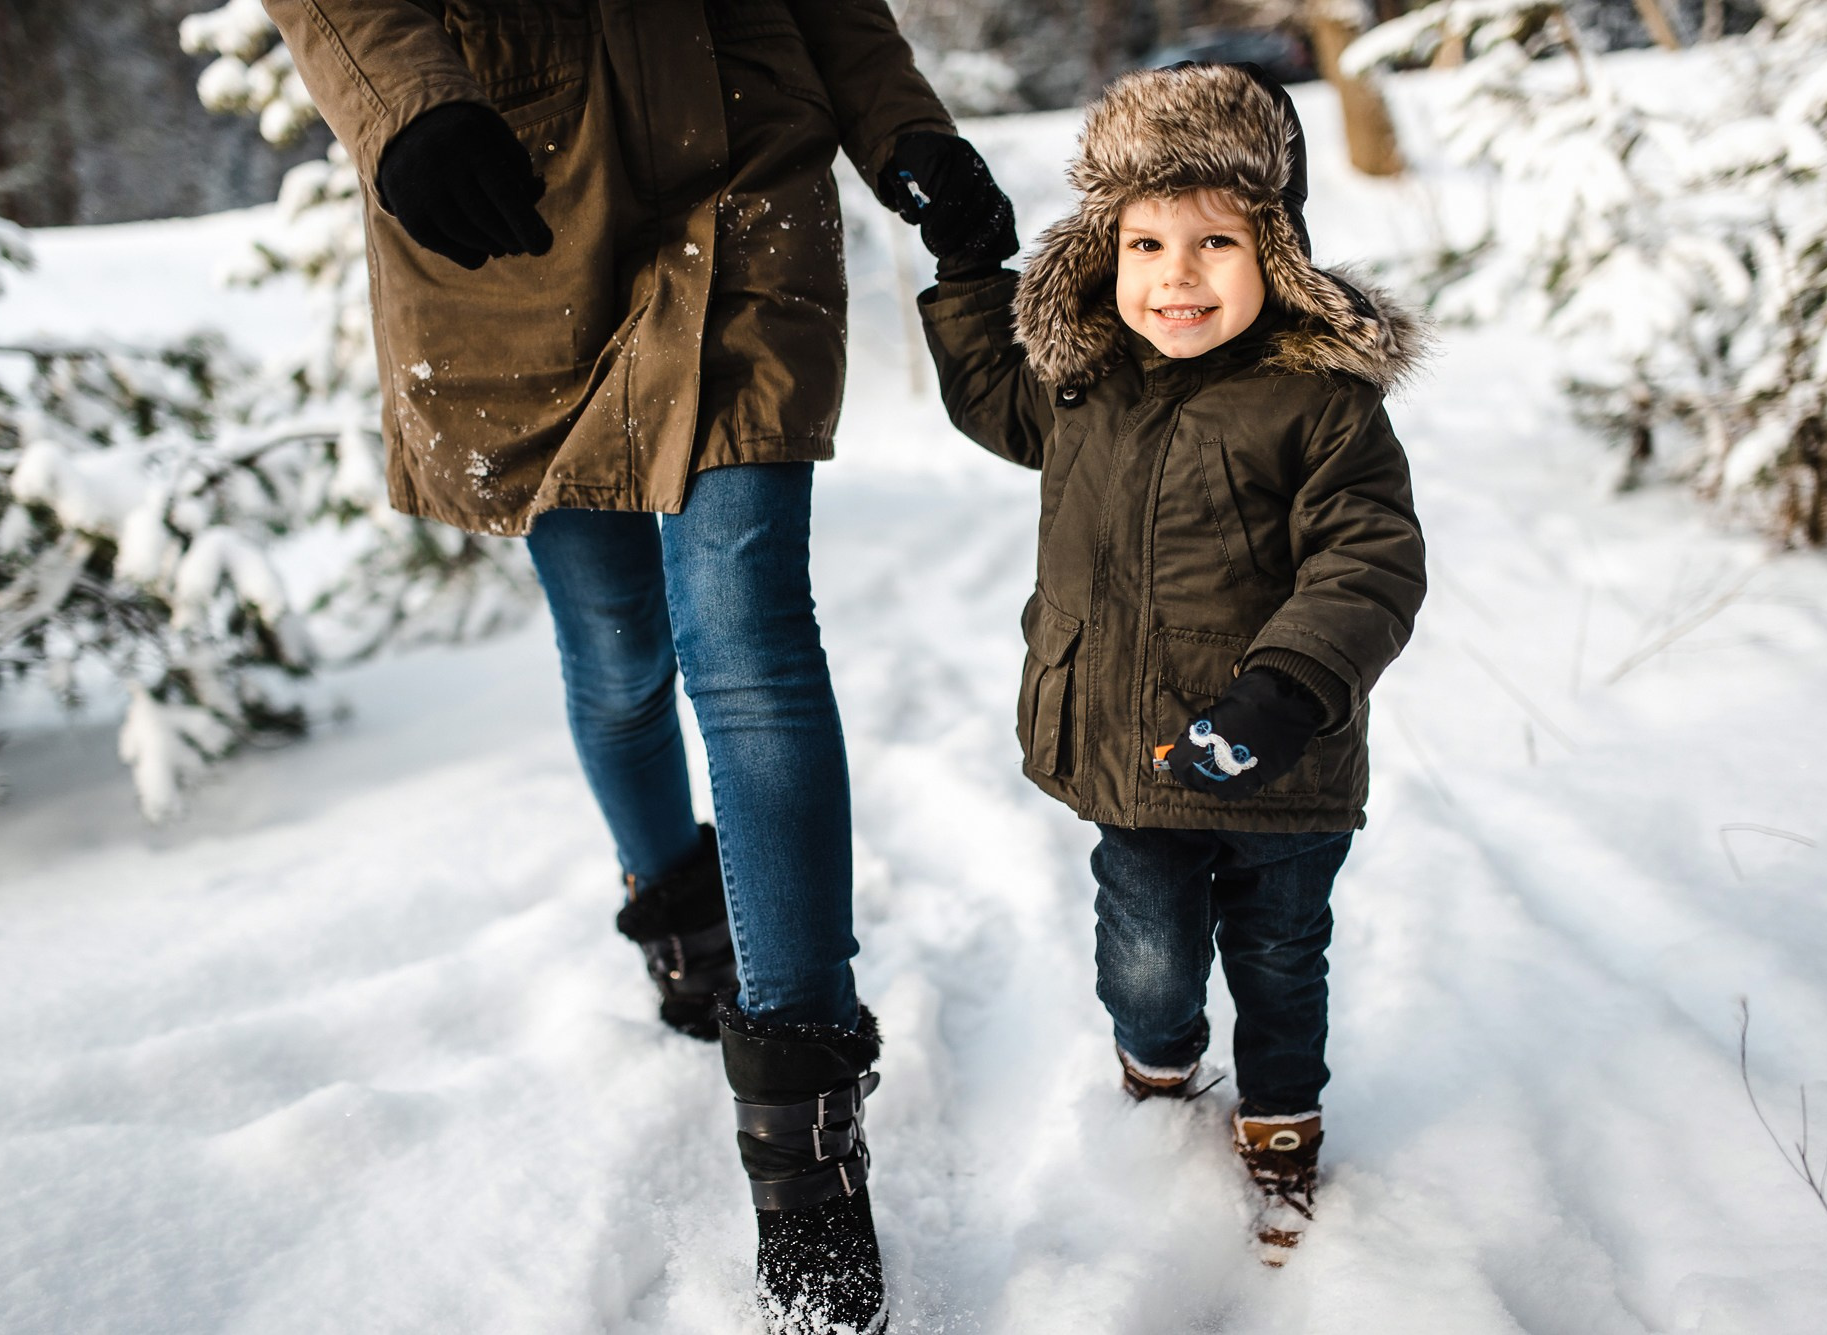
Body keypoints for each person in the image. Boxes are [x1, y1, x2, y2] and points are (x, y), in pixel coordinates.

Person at [258, 1, 1015, 1328]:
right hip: (519, 184)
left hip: (749, 169)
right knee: (617, 650)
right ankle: (679, 910)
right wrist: (405, 103)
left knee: (749, 638)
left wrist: (903, 127)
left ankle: (806, 1153)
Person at [914, 62, 1428, 1263]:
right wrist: (968, 274)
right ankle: (1156, 1066)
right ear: (1103, 251)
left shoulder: (1320, 402)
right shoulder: (1087, 383)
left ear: (1277, 252)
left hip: (1281, 764)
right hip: (1134, 756)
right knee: (1145, 955)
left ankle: (1281, 1118)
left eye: (1214, 244)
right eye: (1144, 244)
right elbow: (991, 398)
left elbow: (1367, 556)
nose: (1174, 277)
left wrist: (1286, 687)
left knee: (1279, 959)